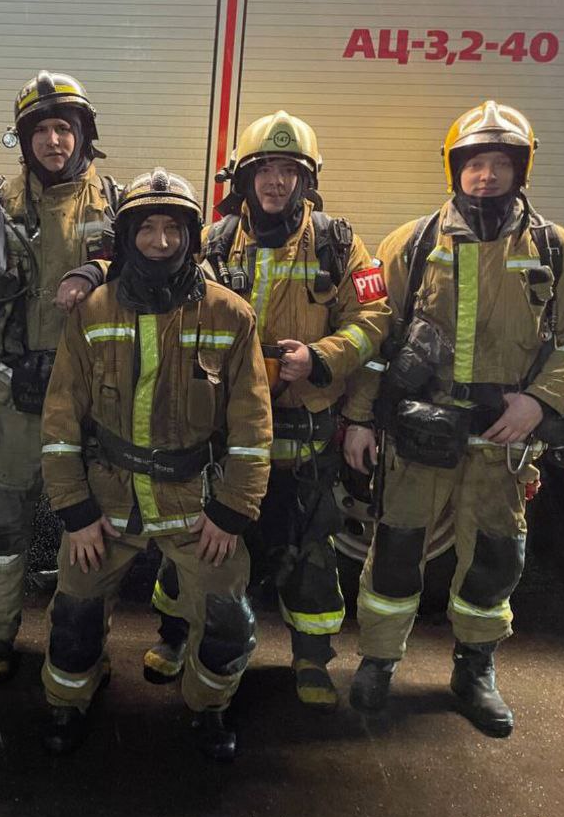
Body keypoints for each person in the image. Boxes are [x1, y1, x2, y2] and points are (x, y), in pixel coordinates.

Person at [342, 101, 564, 736]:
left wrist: (539, 402)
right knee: (395, 554)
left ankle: (474, 672)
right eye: (474, 164)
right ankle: (378, 661)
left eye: (499, 164)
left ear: (520, 169)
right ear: (454, 169)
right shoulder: (410, 244)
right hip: (418, 436)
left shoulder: (558, 251)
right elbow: (377, 338)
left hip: (502, 442)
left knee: (493, 560)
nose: (486, 176)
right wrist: (359, 419)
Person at [143, 111, 390, 712]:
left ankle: (311, 659)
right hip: (223, 436)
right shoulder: (213, 241)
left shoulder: (339, 244)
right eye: (265, 170)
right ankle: (176, 636)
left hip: (302, 438)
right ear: (244, 178)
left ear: (306, 180)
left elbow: (374, 320)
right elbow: (171, 315)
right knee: (200, 543)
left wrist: (322, 358)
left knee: (309, 551)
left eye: (288, 171)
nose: (276, 182)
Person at [39, 167, 273, 762]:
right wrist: (75, 512)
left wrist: (232, 512)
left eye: (174, 228)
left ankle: (208, 706)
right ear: (127, 236)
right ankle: (69, 699)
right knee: (74, 614)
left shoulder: (231, 315)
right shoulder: (92, 312)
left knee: (227, 620)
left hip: (196, 503)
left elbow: (252, 428)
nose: (161, 241)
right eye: (147, 228)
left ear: (191, 237)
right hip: (108, 498)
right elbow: (61, 420)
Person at [0, 71, 117, 681]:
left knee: (90, 527)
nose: (53, 141)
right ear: (24, 139)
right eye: (40, 130)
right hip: (11, 397)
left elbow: (154, 276)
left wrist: (98, 271)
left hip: (91, 401)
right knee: (2, 522)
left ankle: (82, 644)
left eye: (64, 128)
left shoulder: (119, 207)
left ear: (83, 134)